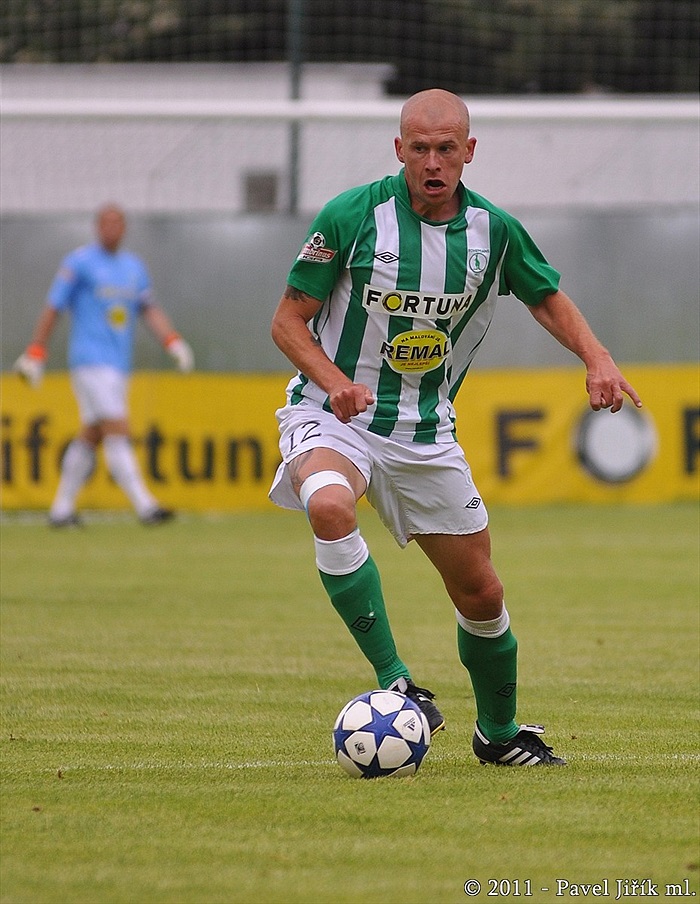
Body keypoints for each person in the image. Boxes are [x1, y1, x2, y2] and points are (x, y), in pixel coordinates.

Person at [268, 89, 642, 766]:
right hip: (334, 415)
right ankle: (398, 681)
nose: (433, 162)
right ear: (399, 150)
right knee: (327, 504)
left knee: (483, 593)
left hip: (426, 434)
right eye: (420, 149)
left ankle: (499, 738)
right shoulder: (352, 217)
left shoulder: (492, 231)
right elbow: (287, 321)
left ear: (469, 152)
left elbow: (546, 295)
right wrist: (335, 383)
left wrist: (598, 356)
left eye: (447, 149)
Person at [14, 203, 194, 527]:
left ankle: (61, 510)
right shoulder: (79, 263)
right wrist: (36, 350)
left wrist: (173, 341)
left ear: (124, 229)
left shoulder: (133, 268)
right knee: (117, 427)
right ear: (97, 227)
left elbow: (148, 309)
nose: (111, 229)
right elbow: (53, 306)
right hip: (89, 360)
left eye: (117, 223)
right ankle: (146, 506)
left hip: (117, 363)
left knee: (92, 434)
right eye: (105, 223)